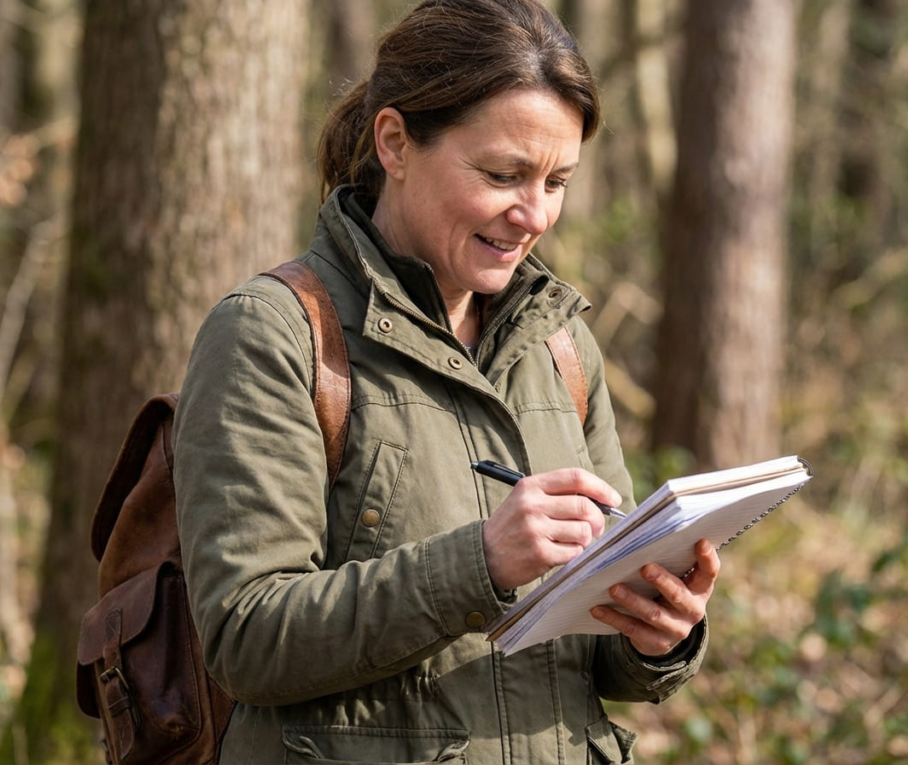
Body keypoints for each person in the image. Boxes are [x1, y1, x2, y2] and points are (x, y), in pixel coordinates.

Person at [173, 0, 721, 762]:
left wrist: (660, 631)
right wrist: (482, 562)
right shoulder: (274, 333)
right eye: (503, 174)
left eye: (557, 181)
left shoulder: (562, 345)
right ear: (395, 142)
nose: (533, 214)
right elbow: (247, 636)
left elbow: (598, 656)